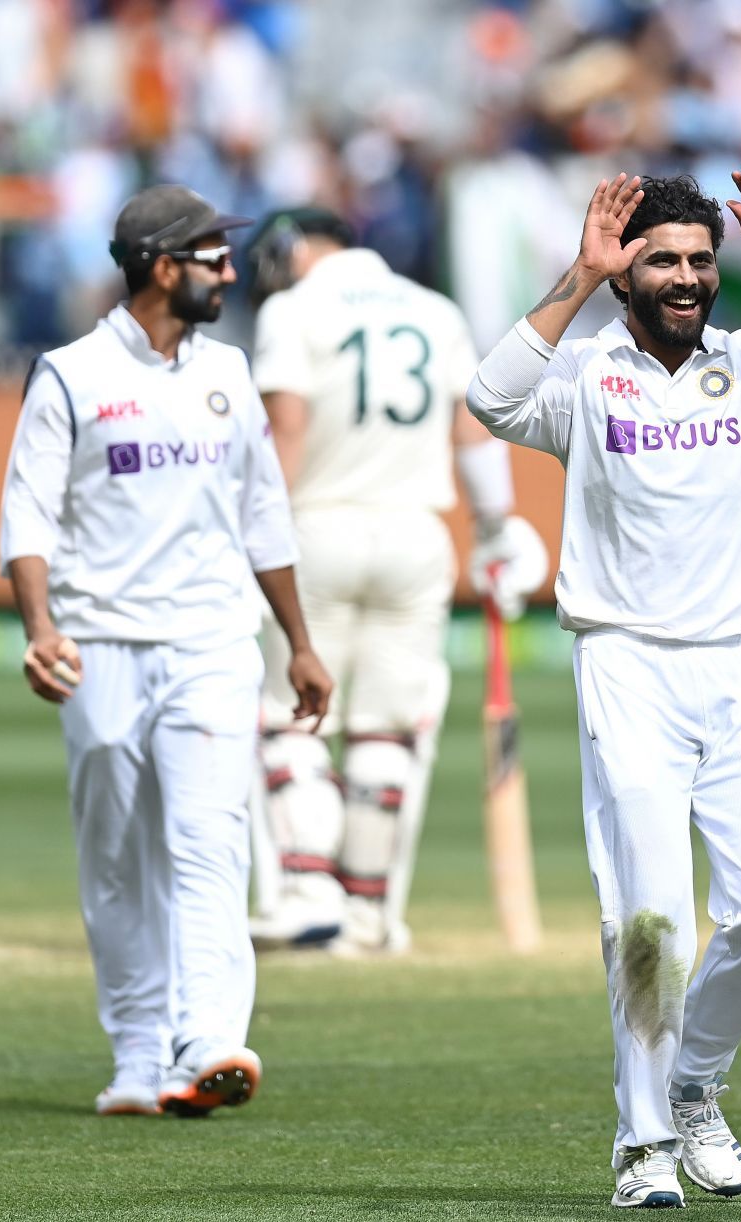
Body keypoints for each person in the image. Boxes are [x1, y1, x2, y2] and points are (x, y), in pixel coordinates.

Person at [467, 169, 741, 1208]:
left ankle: (696, 1077)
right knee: (652, 919)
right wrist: (580, 272)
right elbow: (489, 397)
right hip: (624, 662)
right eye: (662, 260)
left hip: (739, 664)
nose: (686, 278)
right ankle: (645, 1142)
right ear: (628, 273)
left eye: (702, 261)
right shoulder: (584, 376)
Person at [0, 184, 333, 1119]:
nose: (229, 269)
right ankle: (139, 1054)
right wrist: (41, 628)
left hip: (213, 642)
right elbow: (27, 512)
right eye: (210, 255)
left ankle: (209, 1042)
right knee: (117, 858)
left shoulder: (228, 372)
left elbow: (263, 515)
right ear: (159, 266)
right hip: (100, 642)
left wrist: (299, 645)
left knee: (209, 841)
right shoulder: (69, 374)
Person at [242, 205, 548, 955]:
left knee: (291, 715)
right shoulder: (433, 310)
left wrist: (247, 537)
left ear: (291, 252)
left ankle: (310, 890)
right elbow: (472, 427)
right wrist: (496, 527)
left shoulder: (291, 308)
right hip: (417, 536)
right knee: (388, 727)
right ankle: (369, 915)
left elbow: (284, 431)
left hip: (315, 529)